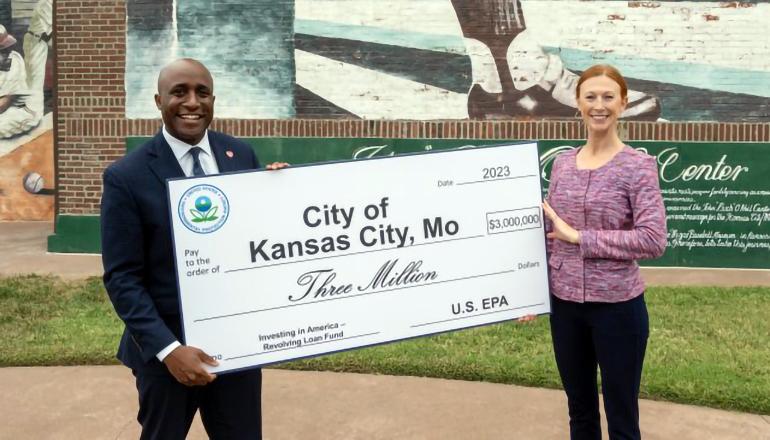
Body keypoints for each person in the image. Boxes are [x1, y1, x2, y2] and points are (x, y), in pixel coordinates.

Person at [101, 58, 287, 439]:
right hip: (166, 353)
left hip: (237, 347)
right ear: (158, 100)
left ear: (213, 99)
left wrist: (281, 193)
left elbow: (256, 242)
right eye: (179, 92)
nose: (191, 102)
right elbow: (122, 278)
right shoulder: (126, 176)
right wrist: (169, 351)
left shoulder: (240, 155)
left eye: (202, 93)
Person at [540, 64, 667, 439]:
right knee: (579, 411)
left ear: (623, 104)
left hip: (617, 310)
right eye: (590, 96)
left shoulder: (638, 167)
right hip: (565, 310)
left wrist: (582, 238)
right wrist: (529, 291)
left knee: (622, 416)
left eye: (608, 97)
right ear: (577, 103)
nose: (599, 105)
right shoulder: (562, 164)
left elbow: (652, 239)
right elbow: (548, 234)